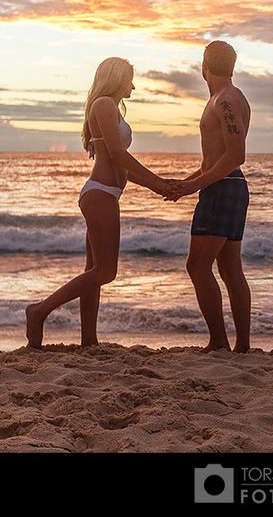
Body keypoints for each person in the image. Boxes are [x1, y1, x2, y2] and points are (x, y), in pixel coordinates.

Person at [25, 57, 172, 349]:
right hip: (100, 194)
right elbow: (118, 155)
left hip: (105, 194)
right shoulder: (103, 104)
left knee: (93, 270)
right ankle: (39, 311)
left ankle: (88, 340)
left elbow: (124, 168)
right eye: (130, 77)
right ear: (117, 78)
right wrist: (158, 182)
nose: (133, 84)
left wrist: (159, 186)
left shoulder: (111, 107)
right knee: (106, 272)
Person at [167, 40, 252, 353]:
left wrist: (194, 187)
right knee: (230, 270)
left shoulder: (225, 101)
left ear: (204, 67)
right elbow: (212, 161)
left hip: (224, 188)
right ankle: (241, 345)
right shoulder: (225, 98)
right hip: (227, 185)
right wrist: (185, 183)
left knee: (197, 266)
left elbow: (235, 155)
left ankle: (220, 341)